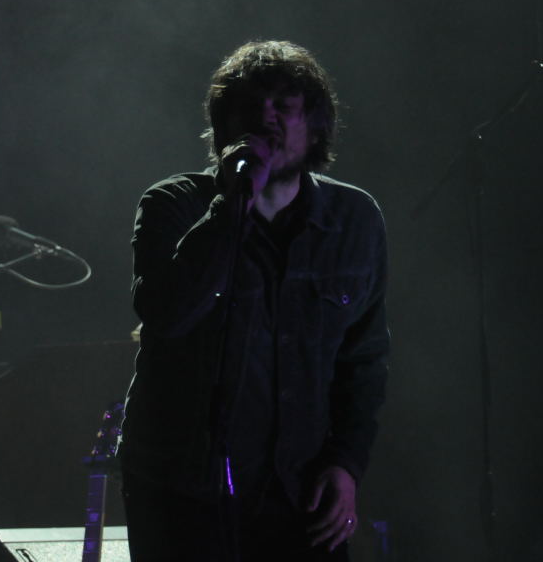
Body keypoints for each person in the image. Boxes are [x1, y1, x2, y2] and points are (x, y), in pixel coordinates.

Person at [119, 40, 390, 561]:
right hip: (182, 492)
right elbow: (167, 314)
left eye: (283, 105)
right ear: (223, 126)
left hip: (299, 492)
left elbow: (364, 359)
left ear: (315, 125)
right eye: (249, 107)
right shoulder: (173, 205)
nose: (266, 119)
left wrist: (346, 464)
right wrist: (233, 204)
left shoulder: (353, 219)